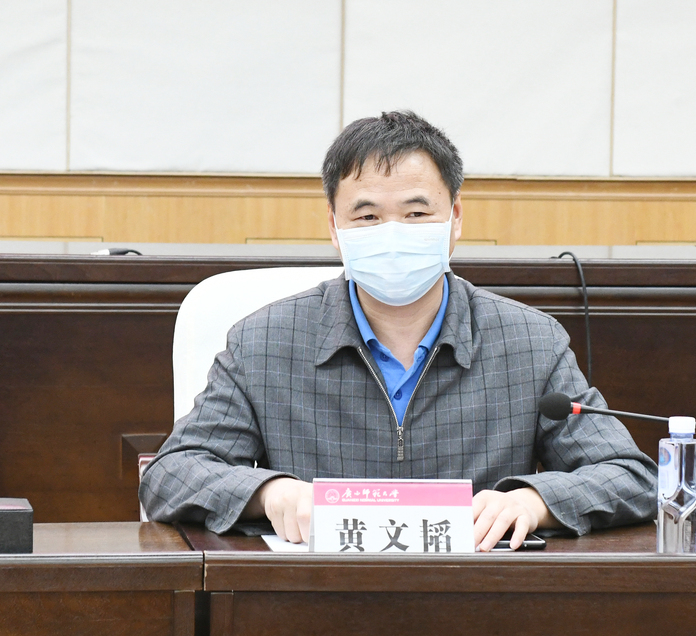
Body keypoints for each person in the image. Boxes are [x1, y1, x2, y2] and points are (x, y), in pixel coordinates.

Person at [140, 111, 657, 550]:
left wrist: (534, 501)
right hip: (318, 601)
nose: (392, 234)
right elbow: (171, 473)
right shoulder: (266, 342)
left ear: (455, 218)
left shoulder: (529, 343)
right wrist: (269, 492)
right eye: (367, 216)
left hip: (478, 600)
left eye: (416, 212)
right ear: (334, 227)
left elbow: (630, 476)